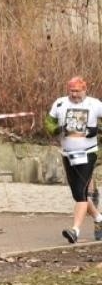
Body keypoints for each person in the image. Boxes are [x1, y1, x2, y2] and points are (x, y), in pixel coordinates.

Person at [46, 76, 102, 243]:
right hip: (67, 154)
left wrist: (97, 129)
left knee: (81, 192)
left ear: (85, 90)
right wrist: (57, 129)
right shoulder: (60, 103)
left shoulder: (94, 104)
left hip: (87, 153)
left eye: (78, 91)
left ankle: (74, 231)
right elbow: (48, 123)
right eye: (72, 91)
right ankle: (99, 218)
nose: (74, 94)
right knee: (78, 193)